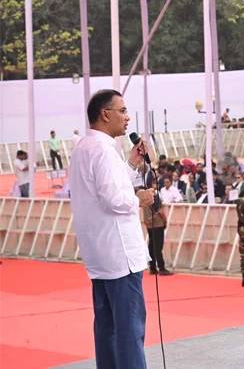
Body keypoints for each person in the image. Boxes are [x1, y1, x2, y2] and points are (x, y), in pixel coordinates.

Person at [69, 89, 156, 369]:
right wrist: (140, 199)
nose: (127, 117)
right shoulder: (103, 152)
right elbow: (115, 198)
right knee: (129, 330)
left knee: (108, 329)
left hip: (100, 253)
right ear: (105, 114)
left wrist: (131, 163)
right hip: (120, 255)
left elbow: (107, 186)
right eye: (123, 111)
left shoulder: (84, 148)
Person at [141, 178, 173, 276]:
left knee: (151, 245)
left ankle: (152, 267)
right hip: (157, 223)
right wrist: (165, 220)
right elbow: (160, 211)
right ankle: (161, 267)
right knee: (158, 246)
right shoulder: (154, 196)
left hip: (149, 223)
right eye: (154, 183)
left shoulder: (143, 196)